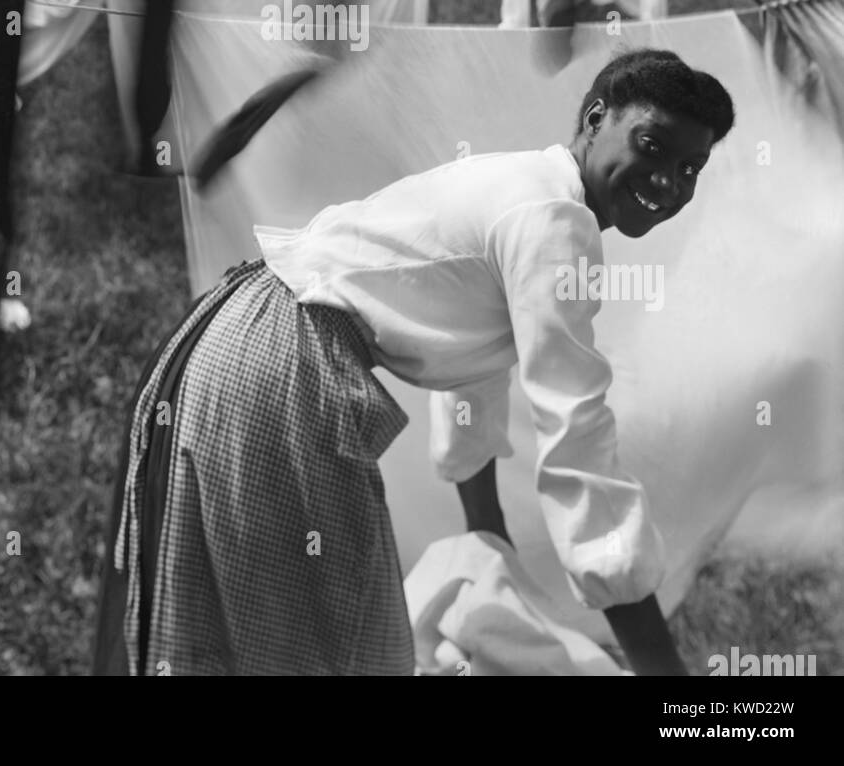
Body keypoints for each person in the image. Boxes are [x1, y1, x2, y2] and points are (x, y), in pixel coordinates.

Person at [92, 48, 734, 677]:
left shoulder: (527, 186)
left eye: (690, 168)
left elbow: (474, 380)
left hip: (237, 335)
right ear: (596, 118)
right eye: (652, 148)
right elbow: (578, 450)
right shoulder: (555, 220)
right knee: (335, 642)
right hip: (280, 370)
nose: (667, 183)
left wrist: (489, 552)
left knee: (243, 619)